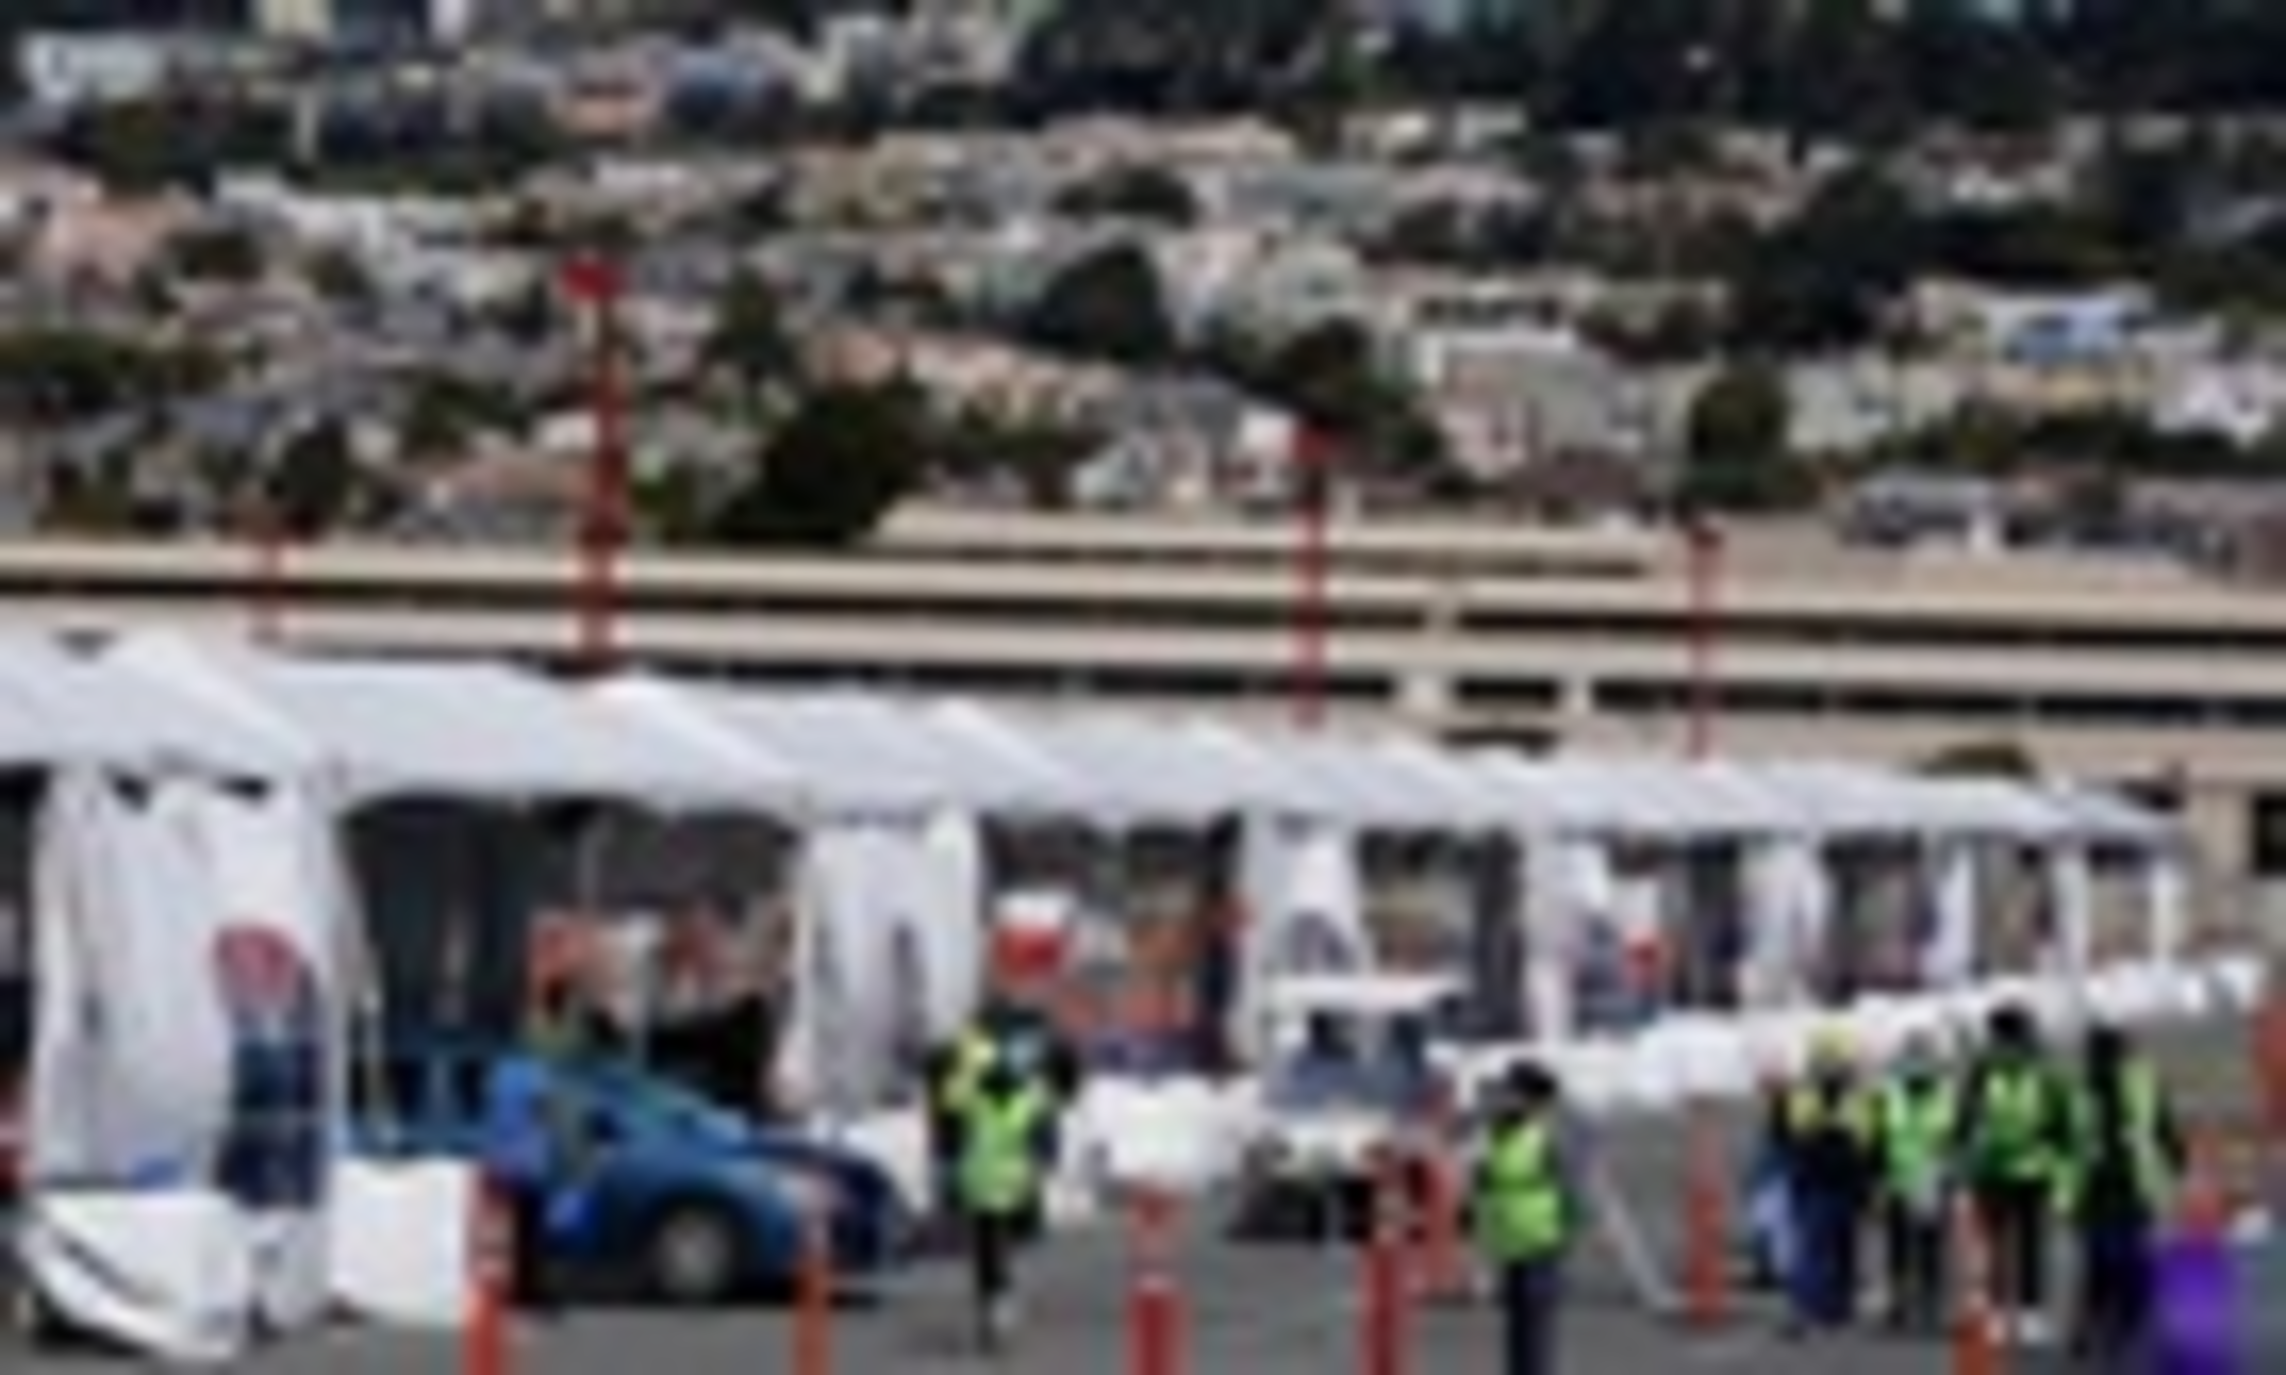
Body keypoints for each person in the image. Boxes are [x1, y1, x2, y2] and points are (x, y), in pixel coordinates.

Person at [1956, 1003, 2074, 1348]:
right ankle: (1996, 1313)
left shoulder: (2044, 1076)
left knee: (2031, 1245)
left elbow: (2060, 1126)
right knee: (1994, 1246)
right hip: (1990, 1173)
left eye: (2014, 1040)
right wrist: (1967, 1157)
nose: (2008, 1048)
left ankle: (2030, 1313)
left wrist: (2058, 1169)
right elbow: (1964, 1124)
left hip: (2032, 1174)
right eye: (2002, 1040)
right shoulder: (1981, 1075)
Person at [2067, 1023, 2184, 1368]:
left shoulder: (2131, 1083)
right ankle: (2107, 1325)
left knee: (2115, 1257)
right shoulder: (2083, 1089)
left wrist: (2176, 1160)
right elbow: (2163, 1127)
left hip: (2122, 1182)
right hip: (2106, 1183)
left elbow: (2162, 1126)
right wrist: (2176, 1160)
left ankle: (2112, 1325)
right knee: (2113, 1256)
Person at [1775, 1028, 1879, 1336]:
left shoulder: (1859, 1099)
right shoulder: (1804, 1096)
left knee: (1842, 1245)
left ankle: (1836, 1306)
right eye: (1826, 1064)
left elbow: (1871, 1143)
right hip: (1816, 1180)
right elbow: (1786, 1134)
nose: (1831, 1071)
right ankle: (1807, 1307)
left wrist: (1870, 1181)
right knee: (1814, 1246)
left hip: (1844, 1181)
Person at [1473, 1059, 1573, 1375]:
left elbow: (1569, 1190)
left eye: (1512, 1092)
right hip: (1508, 1242)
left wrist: (1565, 1234)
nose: (1504, 1097)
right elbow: (1484, 1185)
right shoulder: (1497, 1132)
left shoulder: (1546, 1134)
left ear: (1531, 1098)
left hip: (1540, 1242)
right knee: (1517, 1331)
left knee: (1534, 1332)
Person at [957, 1056, 1053, 1355]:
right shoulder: (1026, 1103)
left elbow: (958, 1129)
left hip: (982, 1186)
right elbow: (1041, 1143)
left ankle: (992, 1310)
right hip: (1012, 1186)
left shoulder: (976, 1102)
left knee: (986, 1255)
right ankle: (1001, 1308)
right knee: (1003, 1252)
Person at [1875, 1035, 1957, 1332]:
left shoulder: (1946, 1095)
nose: (1917, 1069)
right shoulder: (1889, 1095)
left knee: (1929, 1243)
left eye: (1922, 1061)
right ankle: (1898, 1301)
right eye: (1912, 1061)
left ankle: (1929, 1302)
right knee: (1896, 1242)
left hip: (1931, 1177)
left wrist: (1950, 1176)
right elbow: (1878, 1139)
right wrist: (1878, 1178)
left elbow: (1954, 1138)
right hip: (1896, 1176)